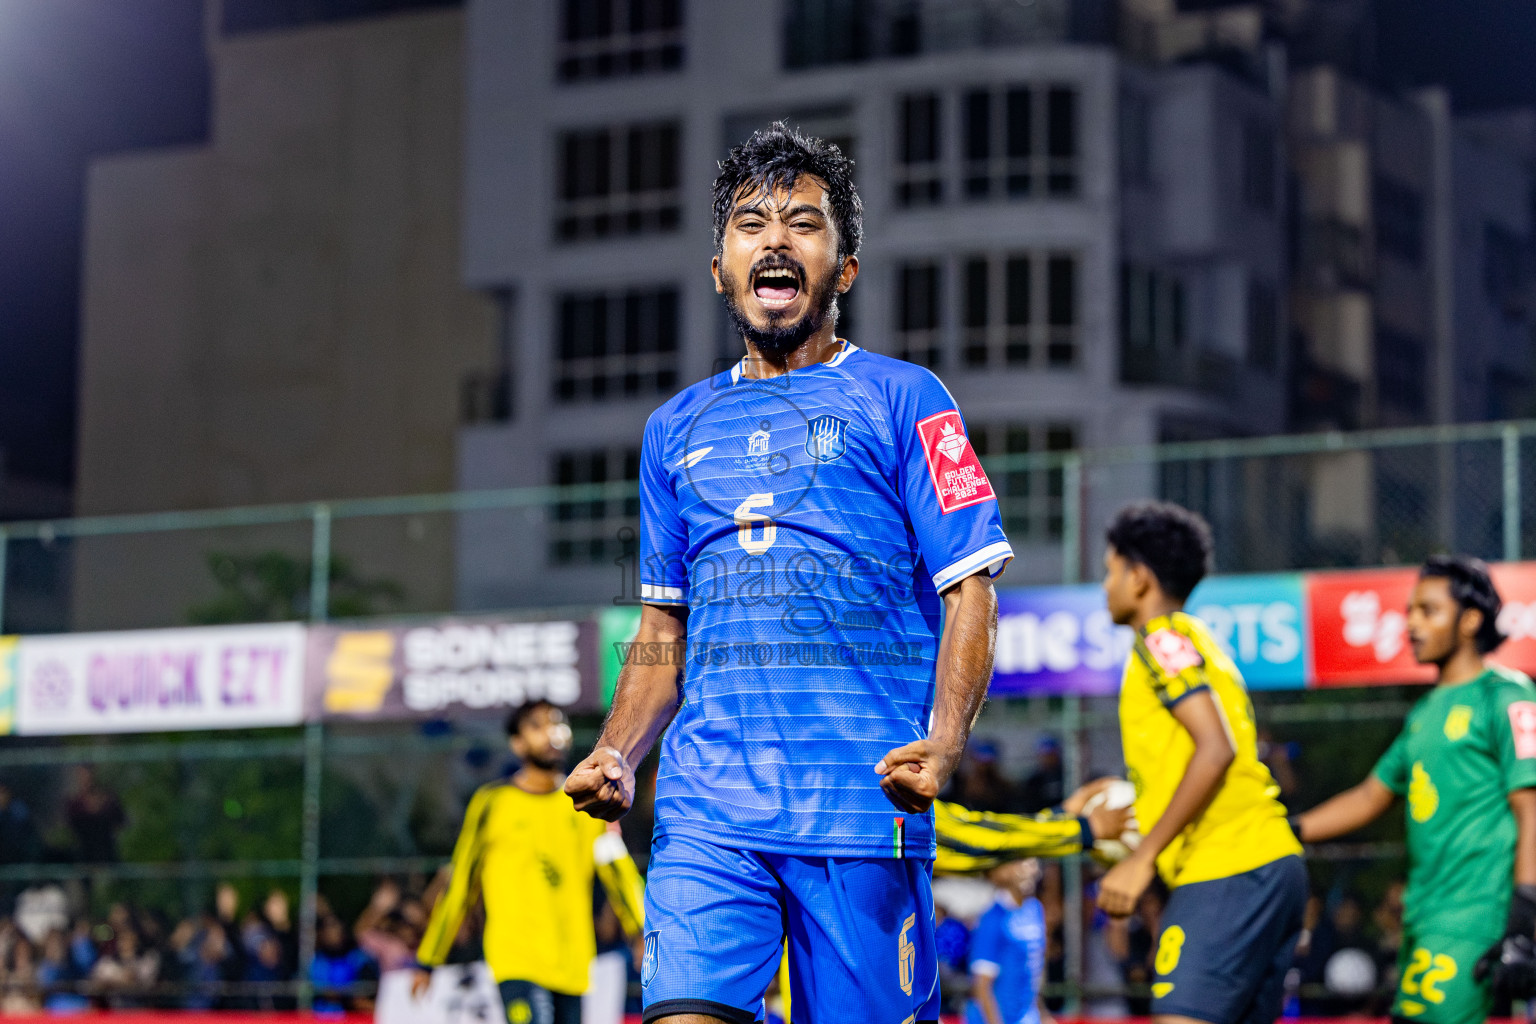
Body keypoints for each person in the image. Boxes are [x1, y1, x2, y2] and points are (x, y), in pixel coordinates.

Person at [564, 122, 1013, 1024]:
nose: (775, 240)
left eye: (804, 223)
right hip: (707, 812)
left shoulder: (907, 398)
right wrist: (617, 749)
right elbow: (662, 629)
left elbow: (971, 587)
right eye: (751, 224)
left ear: (844, 269)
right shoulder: (672, 430)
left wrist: (946, 741)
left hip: (861, 811)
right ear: (720, 269)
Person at [1292, 554, 1536, 1024]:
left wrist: (1525, 916)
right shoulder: (1424, 714)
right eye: (1410, 612)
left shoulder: (1506, 695)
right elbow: (1370, 796)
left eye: (1429, 611)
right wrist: (1286, 829)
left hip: (1474, 916)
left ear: (1470, 620)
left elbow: (1532, 810)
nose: (1412, 624)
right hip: (1422, 918)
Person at [1095, 501, 1306, 1024]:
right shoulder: (1198, 639)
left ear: (1139, 579)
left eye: (1110, 571)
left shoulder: (1160, 639)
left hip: (1229, 866)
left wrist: (1142, 858)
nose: (1105, 586)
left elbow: (1216, 748)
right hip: (1268, 862)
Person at [413, 699, 644, 1024]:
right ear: (517, 743)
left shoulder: (587, 803)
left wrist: (641, 932)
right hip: (516, 962)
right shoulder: (492, 804)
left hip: (573, 965)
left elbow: (619, 872)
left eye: (557, 723)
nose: (551, 732)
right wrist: (429, 958)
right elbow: (461, 883)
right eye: (537, 726)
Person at [966, 858, 1052, 1024]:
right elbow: (982, 987)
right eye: (1018, 861)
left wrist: (1043, 1015)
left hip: (1027, 1017)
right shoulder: (992, 919)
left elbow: (1033, 973)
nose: (1027, 869)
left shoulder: (1035, 909)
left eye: (1030, 861)